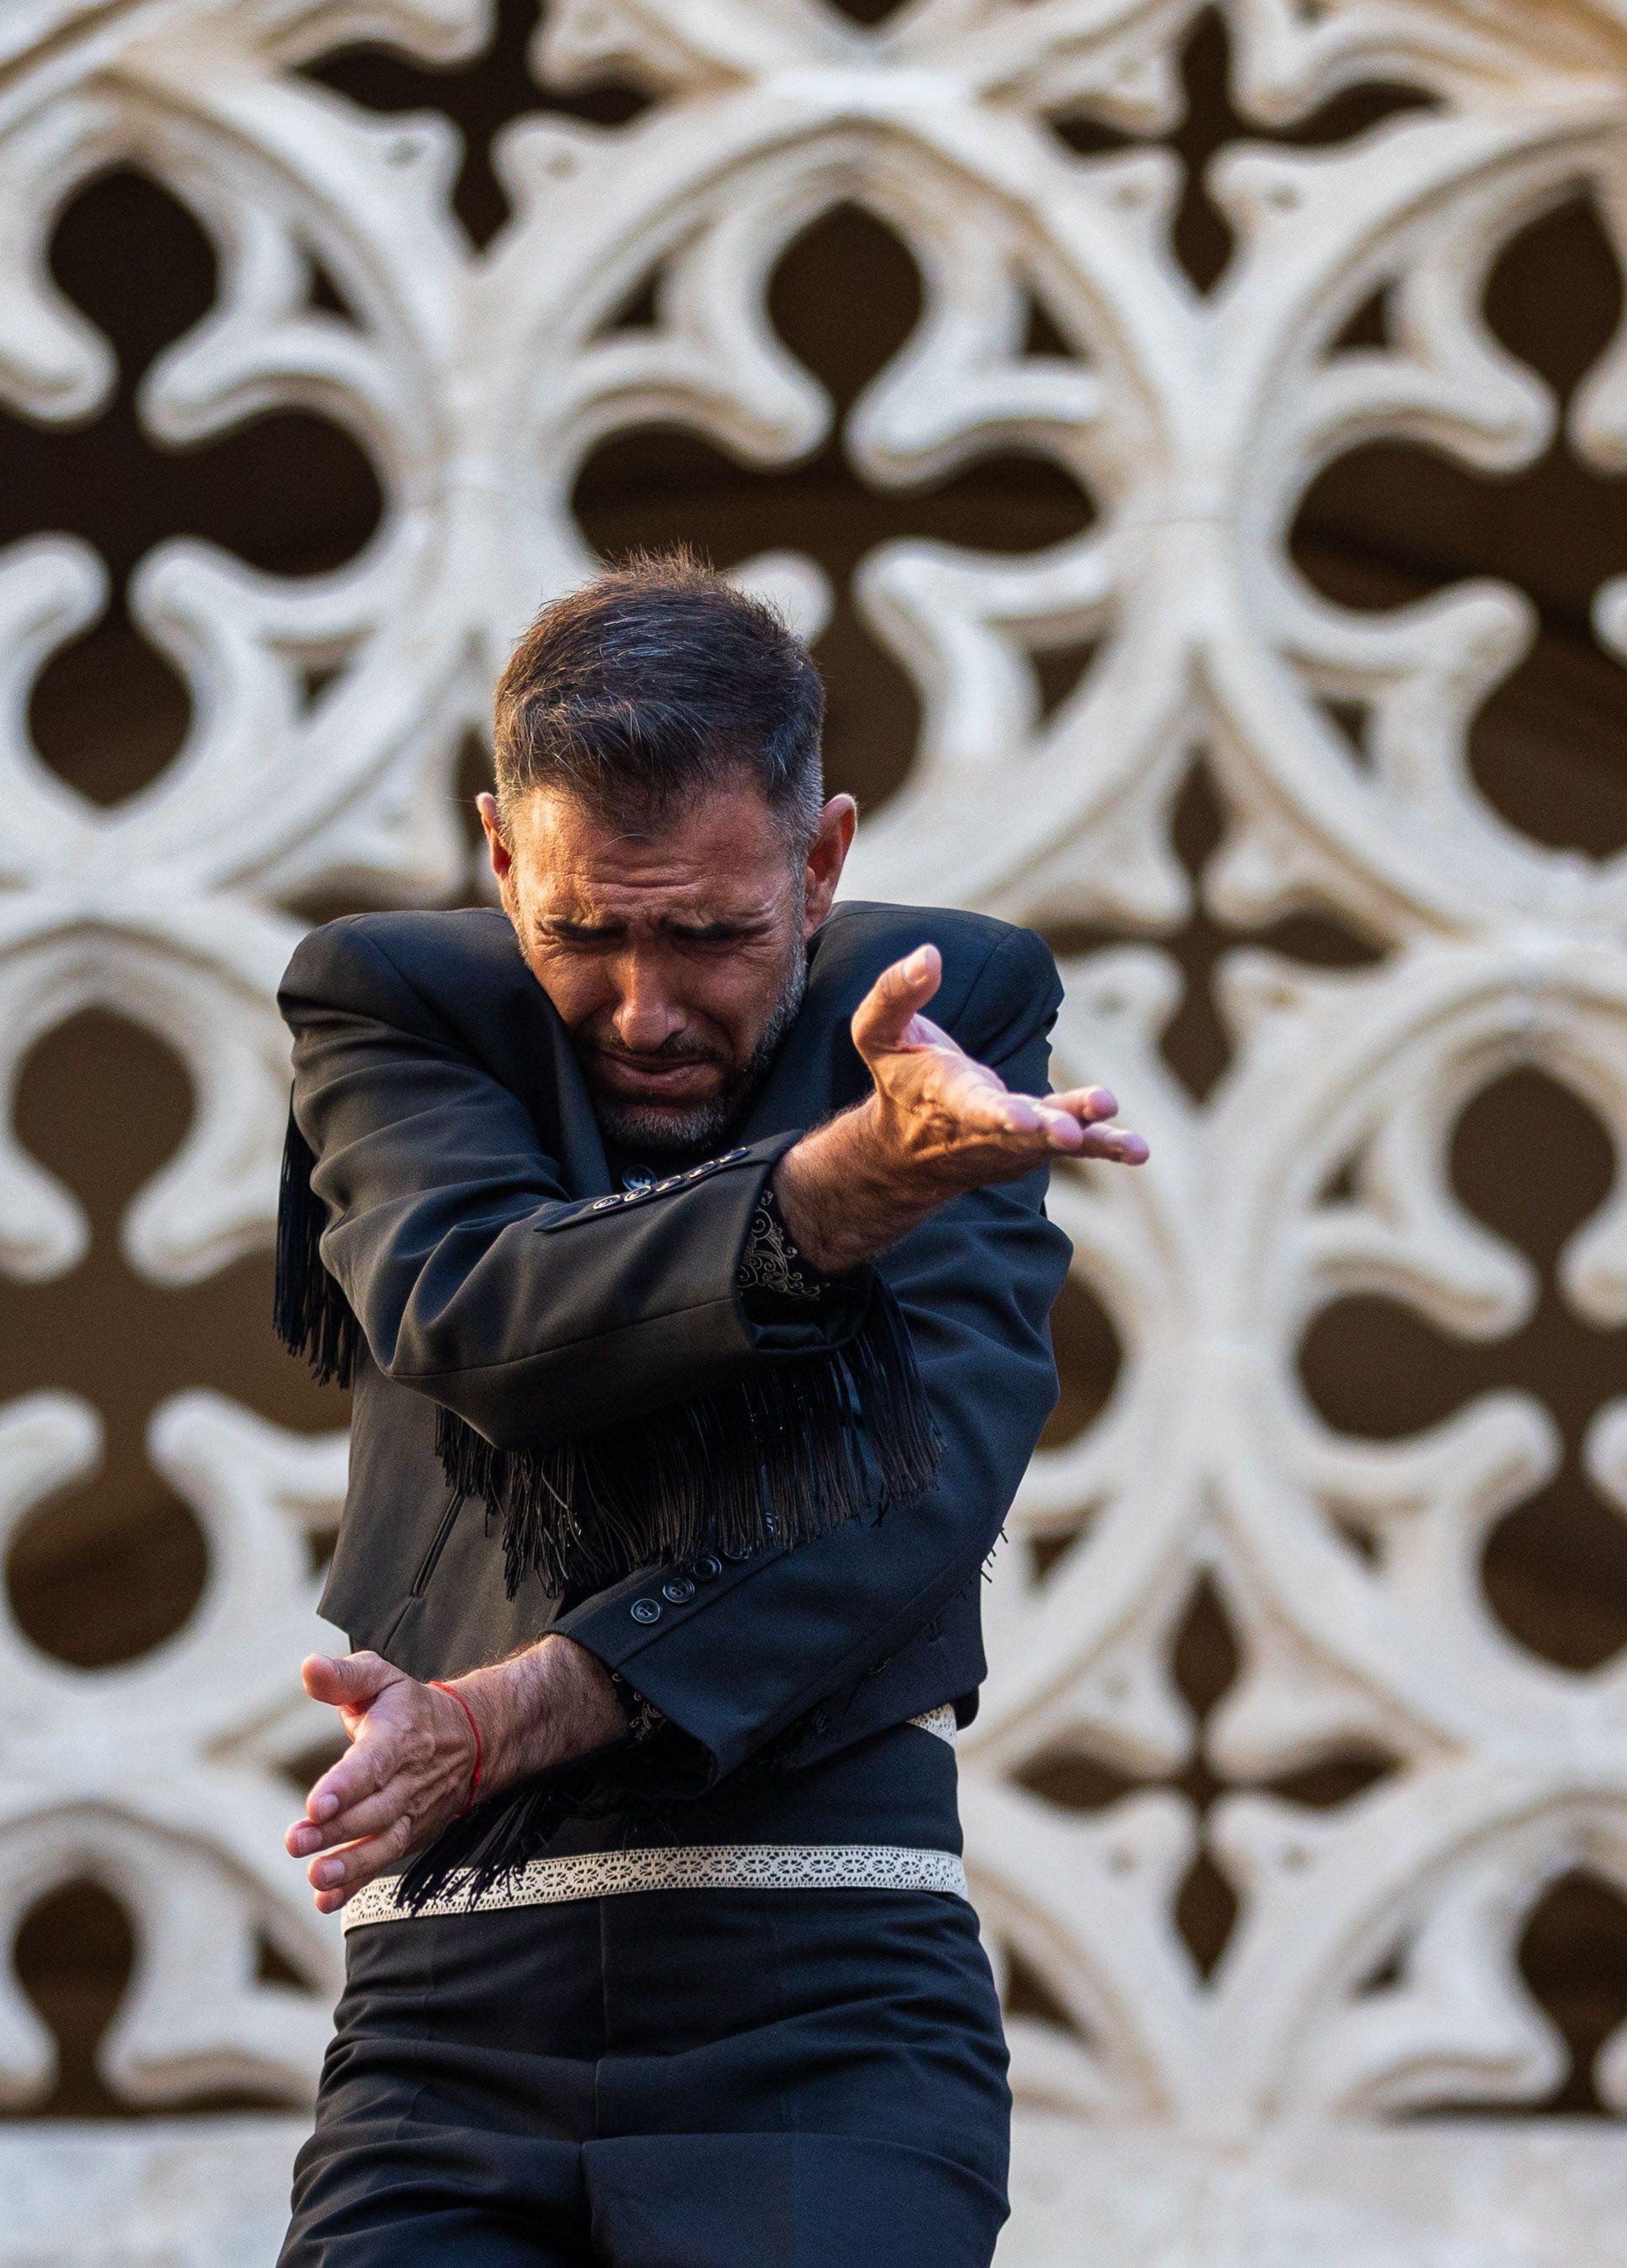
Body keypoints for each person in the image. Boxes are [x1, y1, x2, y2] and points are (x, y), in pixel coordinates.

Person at [268, 547, 1149, 2265]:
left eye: (711, 934)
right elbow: (474, 1309)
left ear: (820, 861)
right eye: (580, 931)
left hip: (823, 1998)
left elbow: (919, 1481)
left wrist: (519, 1711)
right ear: (500, 852)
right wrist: (833, 1193)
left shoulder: (949, 1016)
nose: (643, 1008)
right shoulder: (392, 1000)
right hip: (449, 2027)